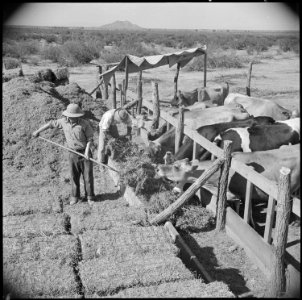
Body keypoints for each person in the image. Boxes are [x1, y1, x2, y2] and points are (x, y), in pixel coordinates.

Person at [32, 103, 95, 205]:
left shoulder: (84, 124)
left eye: (74, 117)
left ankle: (90, 197)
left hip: (85, 152)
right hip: (72, 152)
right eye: (69, 117)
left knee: (87, 176)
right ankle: (75, 196)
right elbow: (50, 124)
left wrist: (87, 152)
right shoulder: (63, 122)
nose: (71, 119)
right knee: (74, 175)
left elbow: (90, 139)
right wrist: (37, 131)